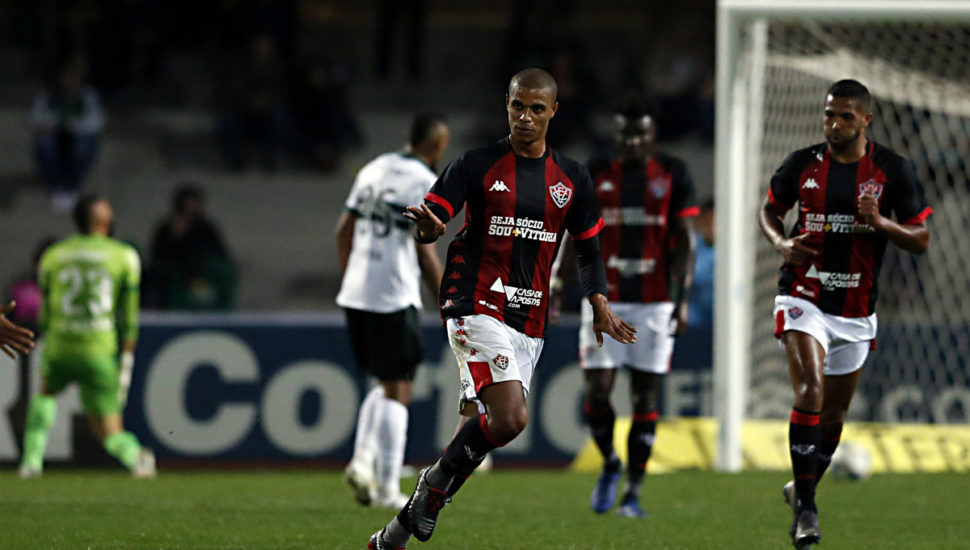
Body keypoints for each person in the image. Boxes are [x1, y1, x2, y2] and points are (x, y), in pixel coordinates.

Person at [366, 68, 637, 549]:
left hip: (529, 318)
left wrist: (598, 300)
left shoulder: (572, 177)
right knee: (511, 419)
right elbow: (434, 218)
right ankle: (431, 485)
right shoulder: (476, 164)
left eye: (536, 109)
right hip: (474, 300)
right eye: (518, 106)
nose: (525, 117)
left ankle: (393, 536)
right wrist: (427, 230)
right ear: (506, 105)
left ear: (554, 112)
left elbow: (589, 249)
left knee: (476, 430)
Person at [758, 79, 931, 548]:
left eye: (846, 117)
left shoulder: (893, 169)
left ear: (866, 120)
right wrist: (781, 243)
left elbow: (921, 239)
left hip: (856, 308)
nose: (834, 124)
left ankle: (802, 488)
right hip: (803, 294)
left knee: (833, 418)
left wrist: (881, 222)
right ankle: (807, 510)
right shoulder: (802, 164)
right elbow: (770, 211)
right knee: (810, 390)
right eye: (829, 114)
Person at [552, 93, 698, 518]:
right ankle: (610, 462)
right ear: (616, 135)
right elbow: (574, 230)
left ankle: (633, 491)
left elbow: (685, 240)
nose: (633, 143)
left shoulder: (673, 172)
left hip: (655, 302)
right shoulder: (596, 171)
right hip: (605, 299)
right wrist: (557, 281)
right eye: (625, 136)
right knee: (597, 392)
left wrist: (682, 300)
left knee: (644, 395)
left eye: (641, 135)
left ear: (653, 135)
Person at [337, 113, 450, 509]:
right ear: (436, 145)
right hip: (393, 294)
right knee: (400, 386)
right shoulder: (424, 182)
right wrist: (448, 301)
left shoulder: (373, 169)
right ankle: (386, 487)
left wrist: (351, 278)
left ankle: (362, 462)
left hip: (356, 293)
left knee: (385, 382)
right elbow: (425, 252)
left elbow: (343, 230)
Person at [19, 194, 156, 478]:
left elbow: (45, 311)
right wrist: (127, 356)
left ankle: (31, 461)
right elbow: (129, 316)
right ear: (104, 220)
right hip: (98, 349)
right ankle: (134, 456)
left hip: (60, 344)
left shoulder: (54, 255)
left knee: (45, 394)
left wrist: (49, 337)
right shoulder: (123, 255)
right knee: (109, 427)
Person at [30, 58, 105, 213]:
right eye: (63, 77)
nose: (67, 81)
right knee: (44, 142)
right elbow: (34, 120)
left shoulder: (87, 96)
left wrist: (70, 124)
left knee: (83, 144)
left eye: (71, 77)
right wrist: (52, 124)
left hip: (78, 138)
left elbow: (97, 122)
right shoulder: (46, 97)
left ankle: (72, 186)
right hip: (56, 138)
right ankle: (56, 187)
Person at [145, 184, 236, 310]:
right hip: (174, 272)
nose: (192, 207)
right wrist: (176, 237)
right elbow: (158, 253)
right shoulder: (167, 227)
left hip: (202, 270)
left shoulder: (206, 228)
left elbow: (219, 251)